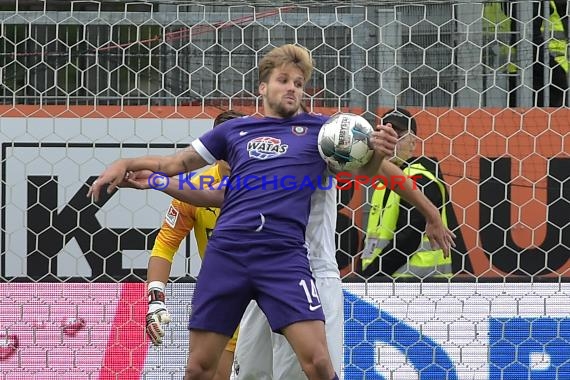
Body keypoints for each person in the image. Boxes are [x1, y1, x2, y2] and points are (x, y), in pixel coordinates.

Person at [88, 44, 451, 380]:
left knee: (316, 364)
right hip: (234, 256)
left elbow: (370, 171)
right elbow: (193, 178)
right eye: (283, 80)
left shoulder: (325, 134)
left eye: (299, 83)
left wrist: (385, 162)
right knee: (225, 370)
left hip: (296, 263)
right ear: (262, 87)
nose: (293, 88)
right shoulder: (235, 135)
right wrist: (134, 166)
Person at [143, 110, 244, 380]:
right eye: (226, 147)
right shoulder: (195, 188)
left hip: (269, 298)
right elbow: (164, 246)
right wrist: (155, 300)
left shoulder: (271, 183)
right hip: (225, 295)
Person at [361, 108, 453, 278]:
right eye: (386, 134)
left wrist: (370, 277)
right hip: (390, 283)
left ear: (413, 143)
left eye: (399, 135)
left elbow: (407, 239)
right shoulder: (383, 180)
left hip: (420, 286)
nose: (391, 141)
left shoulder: (421, 179)